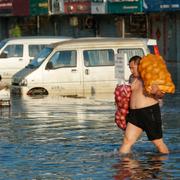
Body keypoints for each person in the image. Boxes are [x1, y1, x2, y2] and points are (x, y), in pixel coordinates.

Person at [119, 55, 169, 154]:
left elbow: (162, 95)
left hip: (149, 113)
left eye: (132, 68)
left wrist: (156, 92)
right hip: (134, 115)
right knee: (127, 141)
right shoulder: (132, 78)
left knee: (158, 142)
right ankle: (124, 166)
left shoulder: (150, 77)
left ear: (140, 65)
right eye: (130, 68)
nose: (131, 70)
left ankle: (164, 162)